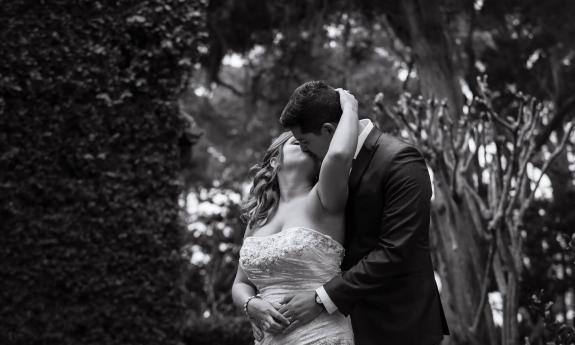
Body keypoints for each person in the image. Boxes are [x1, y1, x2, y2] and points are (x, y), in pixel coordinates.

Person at [277, 81, 450, 345]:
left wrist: (321, 298)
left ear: (329, 130)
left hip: (398, 325)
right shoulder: (320, 171)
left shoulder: (400, 160)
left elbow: (396, 250)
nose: (302, 150)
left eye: (304, 142)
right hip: (340, 328)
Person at [231, 89, 359, 345]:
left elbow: (337, 155)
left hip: (322, 334)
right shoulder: (259, 216)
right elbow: (240, 284)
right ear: (275, 160)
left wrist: (350, 108)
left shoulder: (324, 198)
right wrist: (251, 304)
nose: (304, 146)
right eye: (296, 143)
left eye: (307, 142)